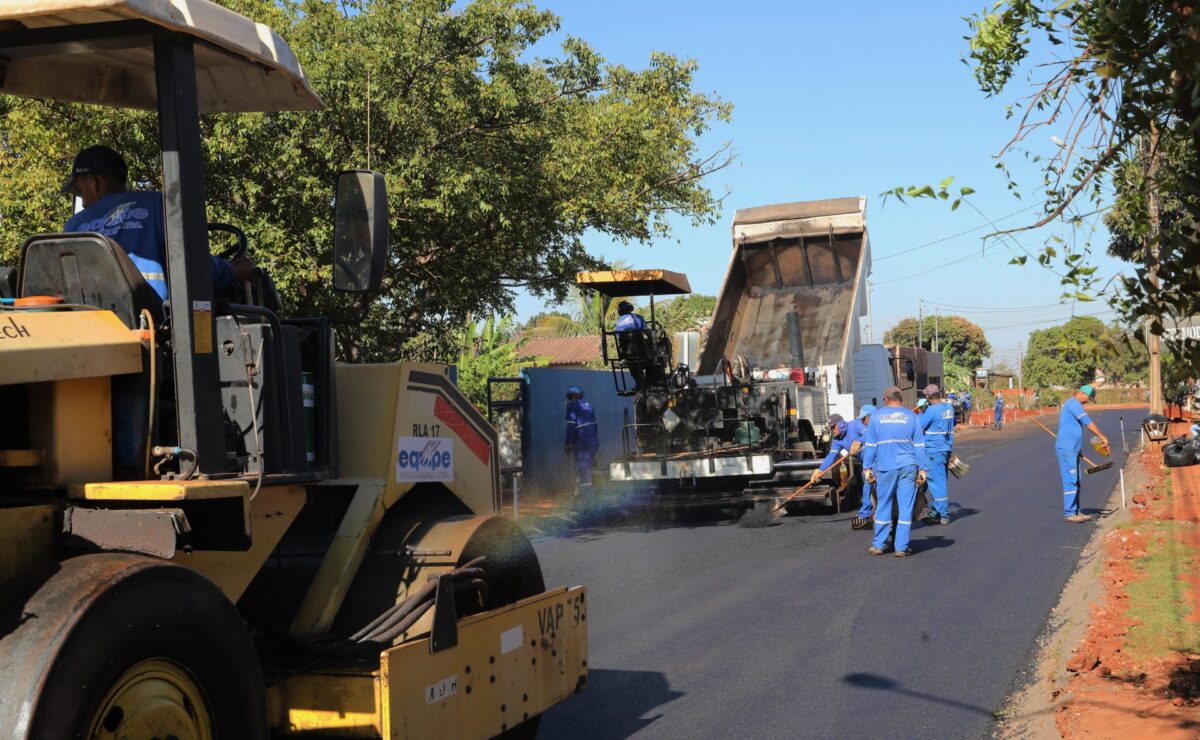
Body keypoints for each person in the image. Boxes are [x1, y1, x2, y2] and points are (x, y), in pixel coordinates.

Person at [61, 145, 253, 300]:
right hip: (156, 329)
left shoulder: (73, 226)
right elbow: (195, 266)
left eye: (80, 191)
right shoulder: (160, 205)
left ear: (93, 181)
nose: (84, 202)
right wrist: (233, 270)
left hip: (95, 324)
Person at [862, 386, 928, 557]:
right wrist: (923, 469)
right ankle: (901, 547)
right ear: (901, 399)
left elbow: (870, 446)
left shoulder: (876, 417)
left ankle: (879, 545)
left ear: (885, 399)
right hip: (908, 467)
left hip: (886, 468)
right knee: (905, 508)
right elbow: (920, 446)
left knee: (884, 505)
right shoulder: (912, 417)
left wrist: (867, 467)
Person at [1057, 384, 1109, 523]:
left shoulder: (1074, 405)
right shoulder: (1073, 404)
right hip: (1066, 448)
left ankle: (1076, 511)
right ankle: (1069, 513)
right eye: (1088, 398)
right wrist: (1102, 436)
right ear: (1083, 394)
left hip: (1072, 449)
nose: (1087, 401)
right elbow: (1087, 422)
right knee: (1071, 479)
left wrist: (1077, 449)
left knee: (1077, 480)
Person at [919, 384, 955, 525]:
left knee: (936, 483)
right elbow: (953, 424)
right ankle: (935, 511)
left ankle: (943, 514)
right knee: (940, 481)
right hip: (945, 449)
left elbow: (918, 426)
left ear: (928, 397)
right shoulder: (949, 408)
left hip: (933, 451)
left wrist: (921, 412)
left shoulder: (931, 411)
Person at [564, 386, 599, 495]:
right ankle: (579, 493)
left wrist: (568, 443)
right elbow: (595, 426)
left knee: (583, 469)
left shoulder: (572, 406)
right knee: (585, 467)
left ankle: (588, 498)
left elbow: (570, 426)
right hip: (594, 442)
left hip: (582, 442)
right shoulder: (589, 406)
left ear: (572, 397)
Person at [848, 404, 875, 530]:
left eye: (864, 418)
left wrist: (858, 442)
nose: (863, 421)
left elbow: (868, 434)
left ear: (871, 416)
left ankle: (866, 514)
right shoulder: (876, 425)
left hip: (876, 462)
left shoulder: (874, 426)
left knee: (868, 485)